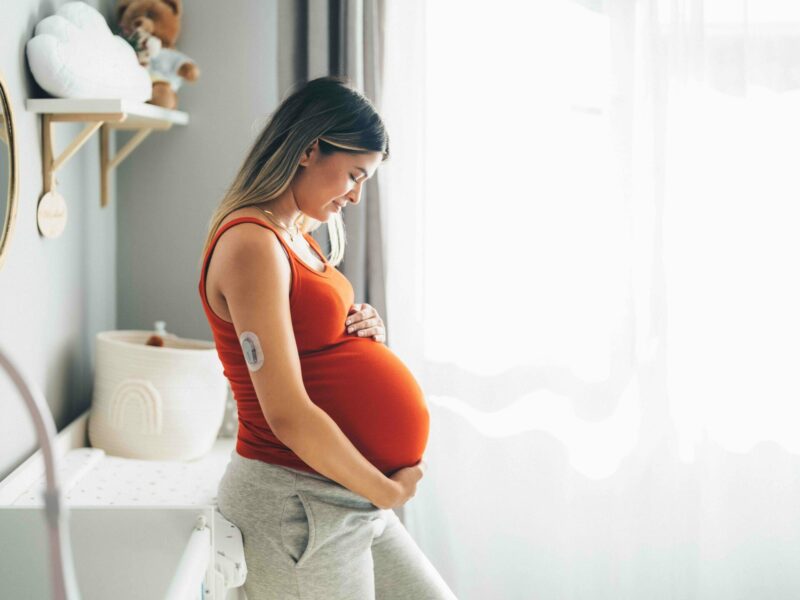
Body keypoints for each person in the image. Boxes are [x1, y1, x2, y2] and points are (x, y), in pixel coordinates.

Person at [198, 75, 457, 600]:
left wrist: (362, 333)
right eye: (354, 175)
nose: (357, 197)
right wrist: (386, 490)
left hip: (343, 493)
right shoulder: (252, 243)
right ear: (310, 149)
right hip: (297, 505)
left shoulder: (296, 237)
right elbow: (287, 413)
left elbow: (311, 347)